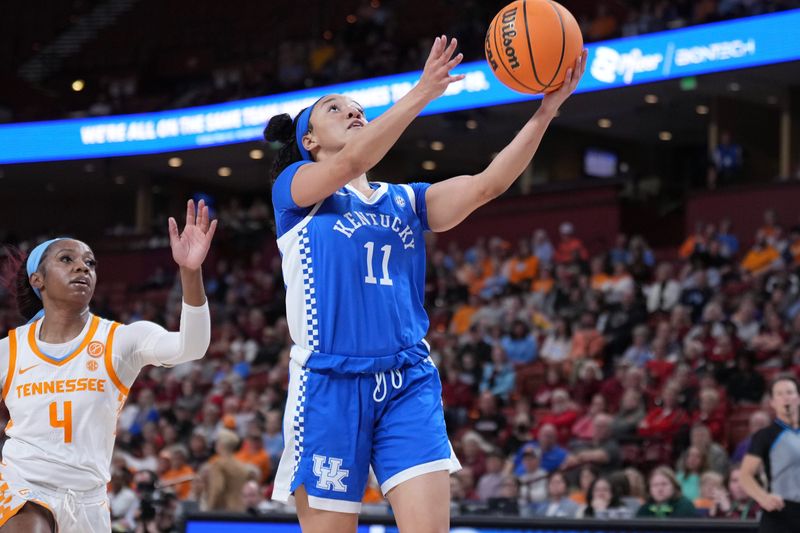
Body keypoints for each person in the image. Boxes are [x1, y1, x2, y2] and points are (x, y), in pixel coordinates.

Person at [264, 33, 587, 533]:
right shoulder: (295, 194)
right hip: (329, 384)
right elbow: (348, 164)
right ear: (308, 141)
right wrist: (422, 92)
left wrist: (546, 113)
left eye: (358, 110)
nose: (354, 113)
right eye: (336, 109)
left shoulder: (407, 201)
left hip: (406, 379)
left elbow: (488, 185)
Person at [0, 200, 216, 532]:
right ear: (37, 280)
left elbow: (193, 345)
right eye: (67, 260)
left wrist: (190, 271)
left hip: (89, 501)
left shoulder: (121, 340)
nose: (82, 268)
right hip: (22, 485)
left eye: (90, 262)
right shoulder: (10, 350)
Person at [740, 375, 800, 532]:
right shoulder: (765, 436)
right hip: (781, 515)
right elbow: (745, 475)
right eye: (779, 394)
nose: (785, 397)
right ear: (772, 402)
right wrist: (763, 497)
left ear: (798, 398)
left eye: (789, 392)